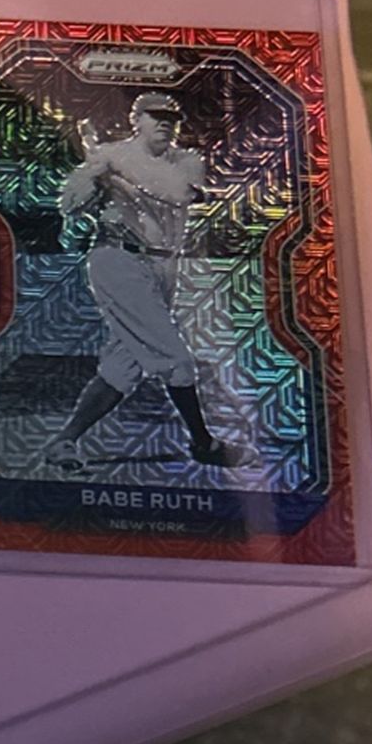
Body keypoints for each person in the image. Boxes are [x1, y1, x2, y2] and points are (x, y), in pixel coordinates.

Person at [44, 92, 247, 475]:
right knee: (176, 359)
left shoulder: (187, 161)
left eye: (172, 117)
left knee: (123, 366)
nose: (166, 123)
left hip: (163, 264)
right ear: (136, 120)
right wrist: (92, 174)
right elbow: (69, 205)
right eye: (155, 116)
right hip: (118, 259)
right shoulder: (110, 155)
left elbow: (176, 194)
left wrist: (116, 174)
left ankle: (63, 441)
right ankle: (204, 443)